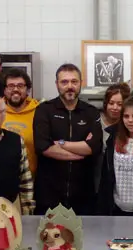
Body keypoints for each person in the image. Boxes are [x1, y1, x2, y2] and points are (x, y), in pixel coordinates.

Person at [32, 63, 102, 215]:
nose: (69, 86)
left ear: (80, 83)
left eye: (74, 81)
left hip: (83, 197)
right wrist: (81, 152)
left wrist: (62, 144)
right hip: (49, 196)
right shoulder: (44, 110)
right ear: (57, 84)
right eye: (64, 82)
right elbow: (43, 147)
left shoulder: (91, 112)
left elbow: (94, 147)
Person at [2, 68, 39, 176]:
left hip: (33, 179)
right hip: (1, 179)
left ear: (28, 90)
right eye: (11, 86)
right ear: (4, 90)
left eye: (20, 86)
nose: (15, 89)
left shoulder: (39, 112)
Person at [95, 82, 130, 196]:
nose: (115, 108)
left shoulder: (128, 124)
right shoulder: (95, 120)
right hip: (94, 177)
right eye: (111, 103)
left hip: (118, 184)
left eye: (120, 104)